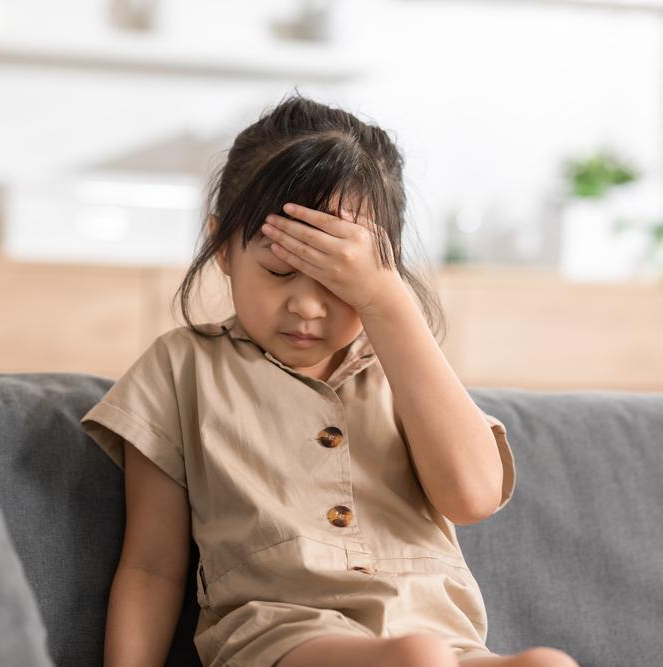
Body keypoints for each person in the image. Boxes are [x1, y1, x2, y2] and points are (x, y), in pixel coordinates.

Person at [80, 92, 579, 667]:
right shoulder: (182, 367)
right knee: (416, 661)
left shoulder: (403, 368)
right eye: (278, 270)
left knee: (547, 664)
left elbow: (472, 496)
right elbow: (149, 567)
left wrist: (388, 303)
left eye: (340, 281)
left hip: (441, 636)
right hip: (283, 634)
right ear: (221, 246)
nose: (308, 308)